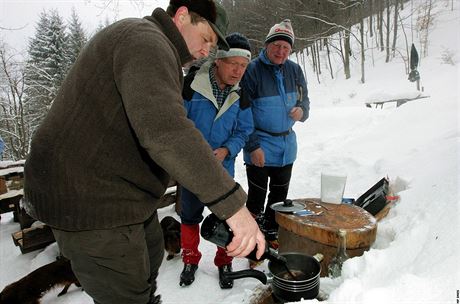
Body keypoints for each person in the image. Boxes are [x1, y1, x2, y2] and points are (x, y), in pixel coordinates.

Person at [22, 1, 265, 303]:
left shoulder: (154, 47)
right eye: (206, 39)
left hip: (120, 191)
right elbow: (166, 130)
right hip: (87, 198)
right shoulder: (145, 41)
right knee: (126, 291)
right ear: (182, 16)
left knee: (151, 252)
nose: (206, 51)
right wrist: (233, 206)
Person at [178, 32, 253, 289]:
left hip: (222, 168)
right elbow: (178, 123)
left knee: (225, 216)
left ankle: (224, 262)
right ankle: (190, 260)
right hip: (192, 168)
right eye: (233, 63)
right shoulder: (192, 86)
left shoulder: (242, 94)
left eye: (243, 66)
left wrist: (227, 149)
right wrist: (192, 152)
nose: (238, 71)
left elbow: (244, 130)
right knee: (189, 216)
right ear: (219, 60)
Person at [241, 19, 310, 245]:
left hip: (286, 148)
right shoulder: (252, 71)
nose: (281, 52)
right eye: (277, 46)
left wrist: (302, 110)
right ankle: (251, 238)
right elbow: (243, 111)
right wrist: (253, 147)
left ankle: (271, 234)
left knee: (279, 198)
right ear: (267, 44)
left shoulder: (295, 70)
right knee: (256, 198)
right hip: (260, 146)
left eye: (286, 48)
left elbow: (305, 100)